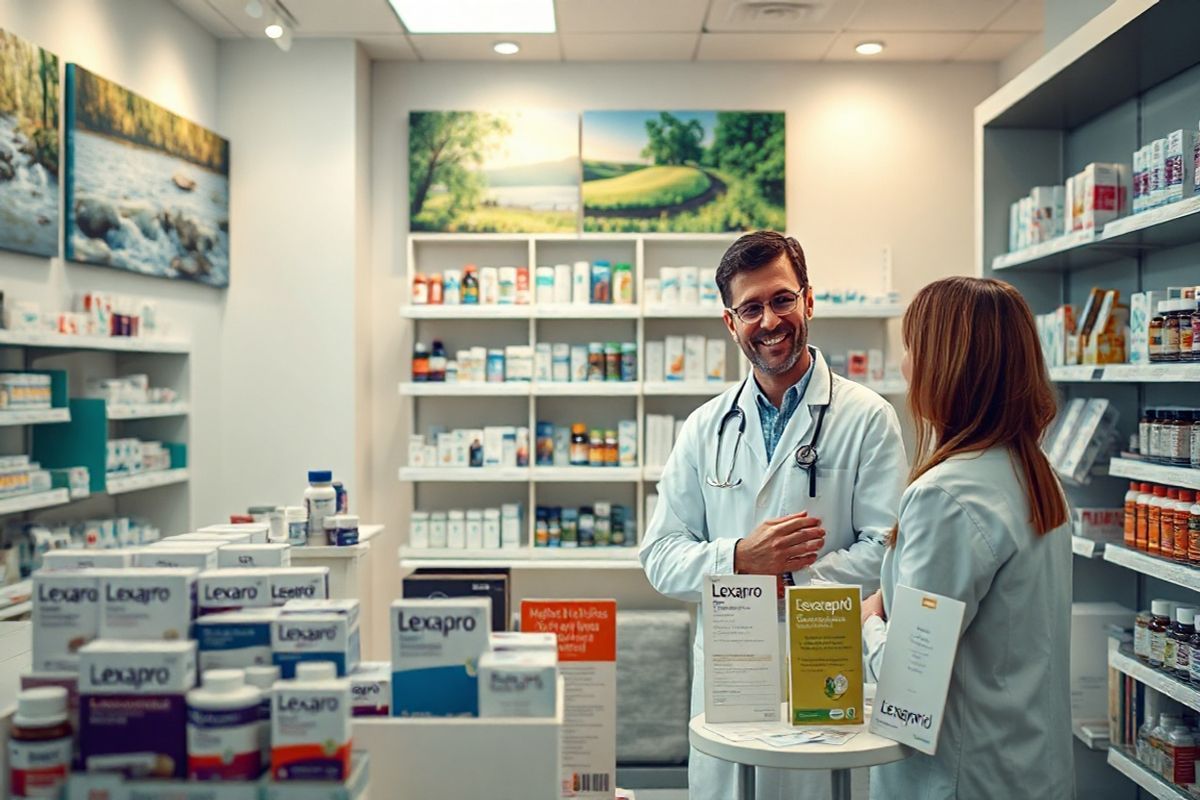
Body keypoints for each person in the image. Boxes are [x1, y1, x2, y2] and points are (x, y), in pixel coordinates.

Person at [639, 230, 908, 800]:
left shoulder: (868, 418)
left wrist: (789, 580)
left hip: (832, 661)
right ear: (730, 322)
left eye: (782, 299)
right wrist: (740, 559)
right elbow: (659, 556)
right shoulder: (705, 427)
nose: (769, 321)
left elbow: (888, 548)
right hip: (733, 675)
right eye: (751, 308)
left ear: (808, 300)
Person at [862, 276, 1073, 799]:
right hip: (1026, 767)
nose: (906, 365)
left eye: (911, 348)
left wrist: (865, 623)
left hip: (961, 780)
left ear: (945, 364)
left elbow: (909, 684)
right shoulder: (1033, 473)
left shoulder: (946, 496)